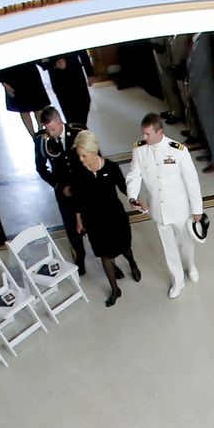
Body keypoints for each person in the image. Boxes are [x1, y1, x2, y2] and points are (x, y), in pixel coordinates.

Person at [126, 113, 205, 300]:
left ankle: (191, 265)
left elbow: (192, 181)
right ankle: (177, 280)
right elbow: (133, 176)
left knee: (185, 243)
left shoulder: (178, 150)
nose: (144, 138)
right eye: (143, 134)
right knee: (169, 248)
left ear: (159, 131)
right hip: (158, 211)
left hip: (179, 209)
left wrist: (197, 210)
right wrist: (132, 197)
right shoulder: (139, 150)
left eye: (148, 134)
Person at [70, 130, 143, 306]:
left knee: (124, 247)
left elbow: (124, 188)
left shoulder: (111, 168)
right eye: (79, 155)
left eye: (84, 155)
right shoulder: (79, 171)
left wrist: (135, 200)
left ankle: (132, 264)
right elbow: (78, 197)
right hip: (94, 221)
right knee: (104, 255)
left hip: (114, 217)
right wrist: (79, 219)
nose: (80, 159)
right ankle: (114, 289)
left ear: (94, 152)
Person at [33, 107, 88, 273]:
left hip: (84, 185)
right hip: (64, 188)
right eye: (48, 129)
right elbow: (41, 168)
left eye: (53, 129)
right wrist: (59, 186)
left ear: (59, 121)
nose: (51, 133)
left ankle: (108, 260)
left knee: (93, 221)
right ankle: (80, 256)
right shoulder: (41, 140)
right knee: (71, 226)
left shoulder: (79, 131)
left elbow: (94, 154)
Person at [184, 32, 214, 173]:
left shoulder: (203, 42)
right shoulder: (197, 40)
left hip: (205, 94)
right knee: (205, 127)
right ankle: (210, 154)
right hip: (200, 93)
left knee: (211, 128)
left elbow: (198, 71)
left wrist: (189, 89)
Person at [38, 51, 92, 130]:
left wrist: (89, 72)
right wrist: (53, 64)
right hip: (59, 77)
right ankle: (78, 133)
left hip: (76, 71)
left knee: (85, 102)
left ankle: (79, 130)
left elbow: (81, 49)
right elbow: (37, 57)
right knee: (70, 111)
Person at [0, 62, 49, 135]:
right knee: (24, 110)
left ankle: (41, 131)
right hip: (13, 77)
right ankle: (33, 136)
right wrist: (4, 84)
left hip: (30, 72)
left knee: (39, 107)